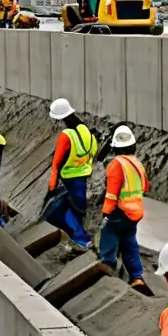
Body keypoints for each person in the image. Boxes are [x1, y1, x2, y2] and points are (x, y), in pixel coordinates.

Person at [99, 125, 153, 296]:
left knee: (109, 235)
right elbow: (145, 186)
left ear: (115, 147)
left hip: (120, 211)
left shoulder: (116, 165)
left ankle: (107, 267)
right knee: (129, 241)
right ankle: (137, 277)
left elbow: (112, 193)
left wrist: (106, 212)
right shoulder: (137, 164)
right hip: (135, 212)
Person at [42, 98, 98, 250]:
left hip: (68, 177)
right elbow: (92, 149)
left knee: (63, 209)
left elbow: (57, 162)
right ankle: (79, 235)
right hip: (83, 173)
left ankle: (80, 238)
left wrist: (53, 183)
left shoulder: (66, 135)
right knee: (78, 206)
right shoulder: (84, 129)